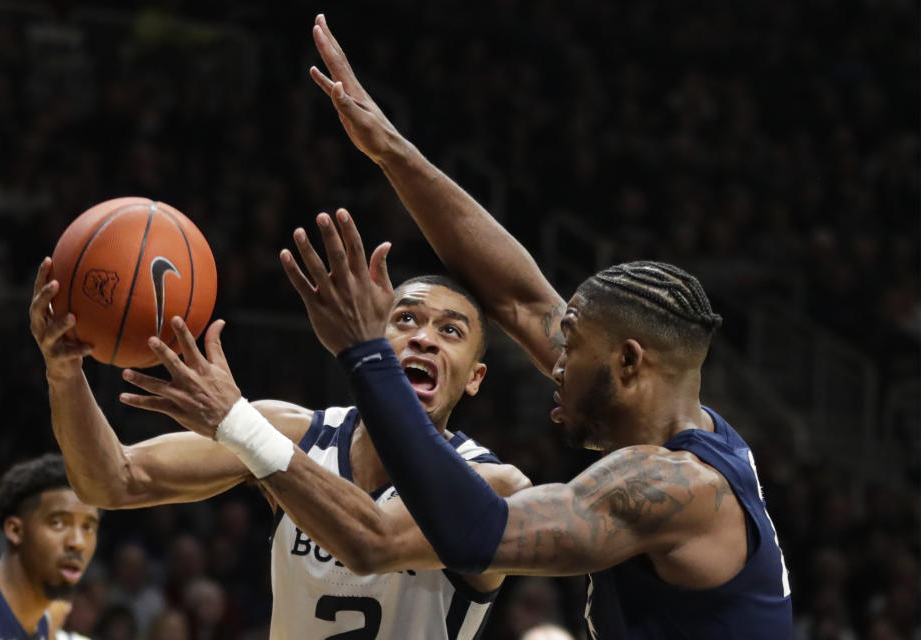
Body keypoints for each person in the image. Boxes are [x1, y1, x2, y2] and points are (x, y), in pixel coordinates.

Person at [284, 15, 794, 638]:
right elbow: (517, 297)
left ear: (628, 363)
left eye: (570, 347)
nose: (554, 359)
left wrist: (368, 352)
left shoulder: (674, 486)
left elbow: (476, 534)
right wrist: (390, 148)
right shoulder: (670, 417)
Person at [29, 253, 529, 639]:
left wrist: (240, 426)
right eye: (405, 320)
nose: (424, 338)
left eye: (450, 331)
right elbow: (110, 480)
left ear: (474, 378)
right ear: (376, 337)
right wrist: (64, 372)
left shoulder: (494, 488)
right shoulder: (292, 433)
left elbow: (371, 542)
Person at [0, 454, 100, 640]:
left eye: (88, 527)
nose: (78, 543)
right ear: (16, 530)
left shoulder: (45, 618)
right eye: (58, 523)